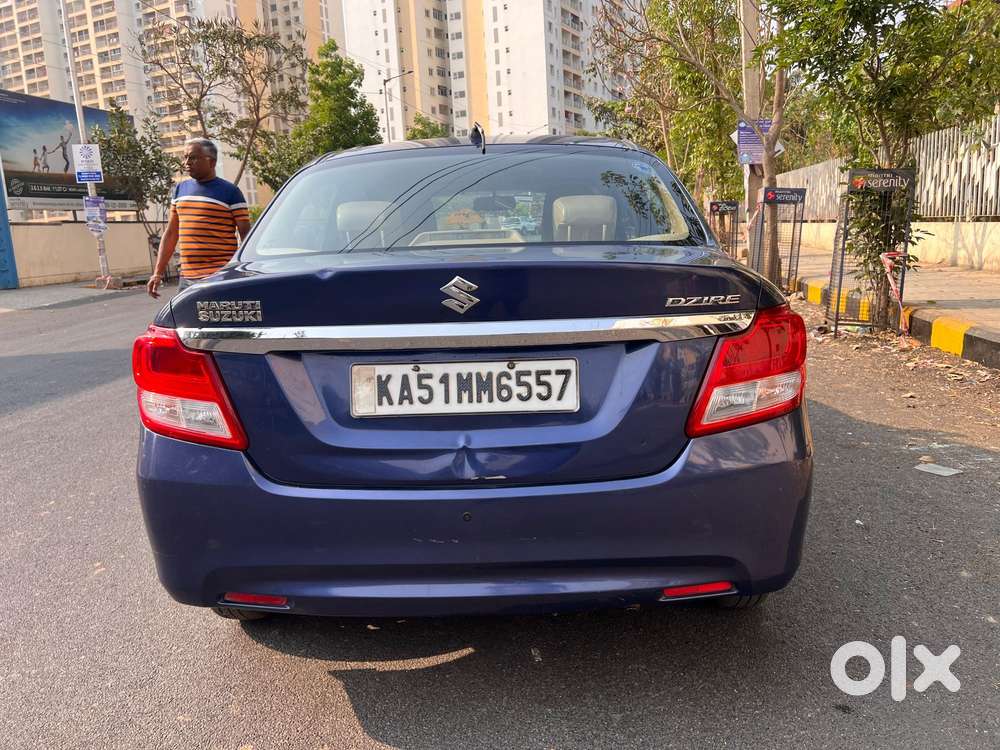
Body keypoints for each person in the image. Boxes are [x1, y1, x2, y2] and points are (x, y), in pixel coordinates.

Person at [147, 138, 251, 298]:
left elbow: (246, 235)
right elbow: (171, 234)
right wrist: (157, 273)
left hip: (220, 276)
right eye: (185, 157)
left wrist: (245, 272)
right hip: (187, 279)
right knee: (185, 322)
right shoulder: (180, 190)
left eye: (193, 157)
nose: (187, 162)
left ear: (211, 162)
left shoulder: (230, 192)